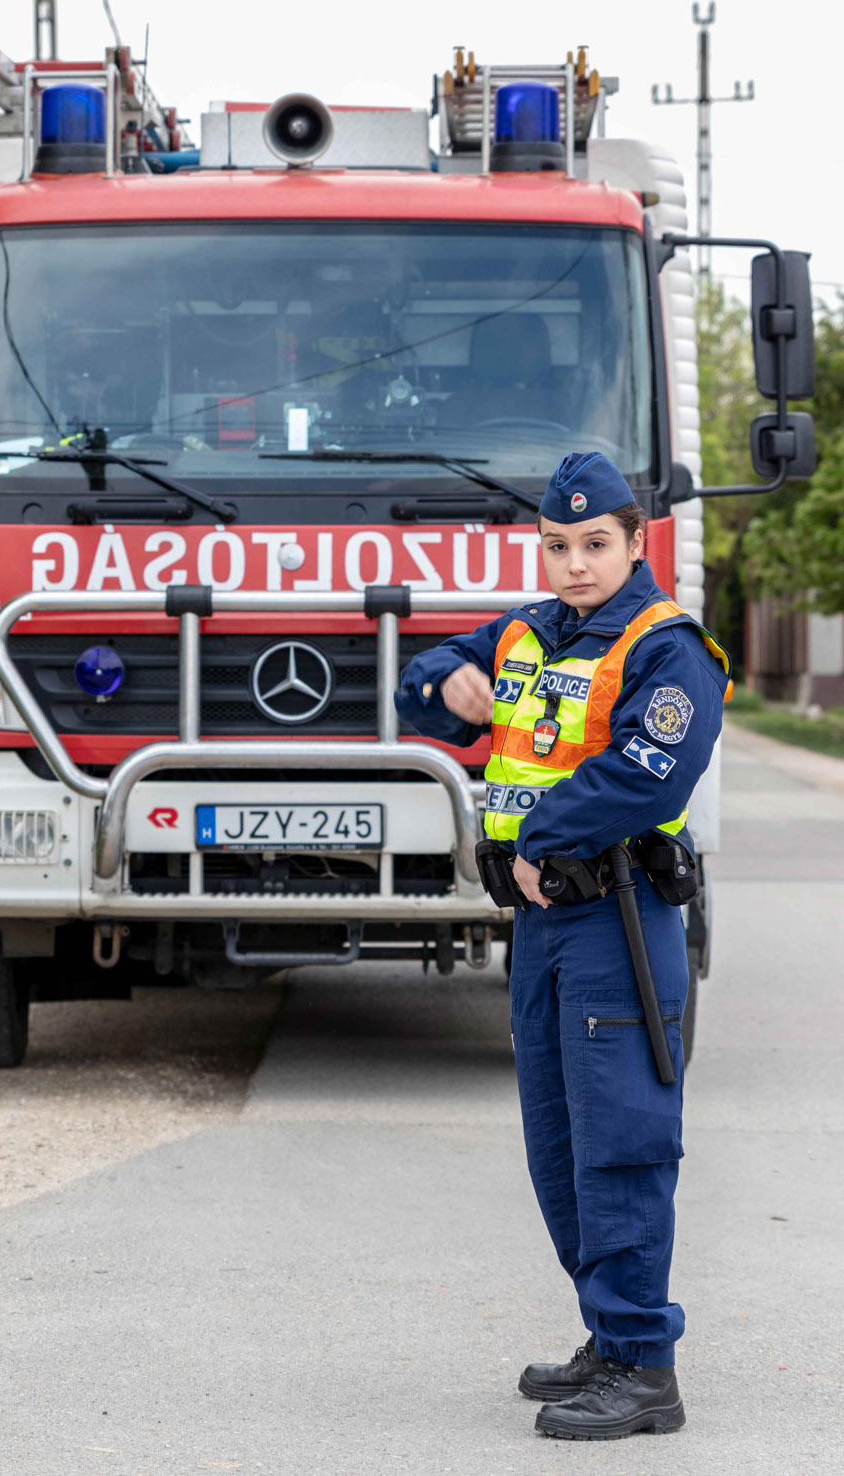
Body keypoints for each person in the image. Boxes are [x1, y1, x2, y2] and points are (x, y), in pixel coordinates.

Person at [394, 451, 732, 1441]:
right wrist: (449, 681)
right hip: (542, 930)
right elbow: (421, 679)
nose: (575, 564)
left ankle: (645, 1369)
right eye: (557, 546)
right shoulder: (529, 635)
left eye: (594, 545)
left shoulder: (666, 647)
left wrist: (539, 839)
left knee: (620, 1146)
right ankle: (607, 1336)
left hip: (614, 919)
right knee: (561, 1149)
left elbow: (647, 776)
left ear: (635, 542)